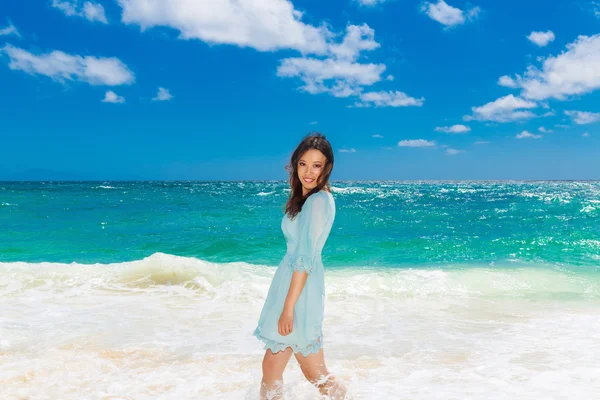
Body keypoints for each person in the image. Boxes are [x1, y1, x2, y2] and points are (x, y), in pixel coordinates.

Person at [253, 133, 348, 399]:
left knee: (315, 375)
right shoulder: (306, 199)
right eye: (304, 163)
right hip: (292, 285)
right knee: (273, 367)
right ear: (295, 164)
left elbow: (305, 259)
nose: (308, 171)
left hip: (299, 291)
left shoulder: (319, 201)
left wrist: (288, 307)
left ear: (326, 168)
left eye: (317, 165)